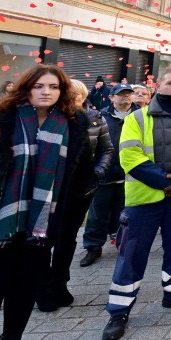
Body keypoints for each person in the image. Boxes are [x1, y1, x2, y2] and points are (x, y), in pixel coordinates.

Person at [0, 65, 91, 340]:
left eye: (53, 87)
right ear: (25, 88)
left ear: (62, 92)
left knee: (23, 291)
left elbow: (79, 174)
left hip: (40, 228)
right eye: (39, 86)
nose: (46, 92)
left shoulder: (72, 125)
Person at [101, 69, 171, 340]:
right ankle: (119, 311)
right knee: (132, 254)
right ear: (158, 85)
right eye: (170, 83)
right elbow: (129, 156)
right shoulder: (137, 117)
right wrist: (165, 182)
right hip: (144, 199)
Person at [37, 80, 113, 312]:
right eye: (68, 94)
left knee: (67, 239)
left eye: (77, 94)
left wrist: (96, 174)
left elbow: (106, 150)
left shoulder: (94, 119)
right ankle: (42, 288)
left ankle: (61, 283)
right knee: (42, 240)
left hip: (80, 190)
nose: (73, 98)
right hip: (49, 190)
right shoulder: (50, 120)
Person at [80, 83, 136, 267]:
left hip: (131, 175)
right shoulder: (100, 116)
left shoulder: (141, 116)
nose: (125, 97)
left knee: (126, 214)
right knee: (97, 214)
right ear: (111, 97)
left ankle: (125, 245)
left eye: (128, 94)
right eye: (121, 94)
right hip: (105, 173)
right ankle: (93, 247)